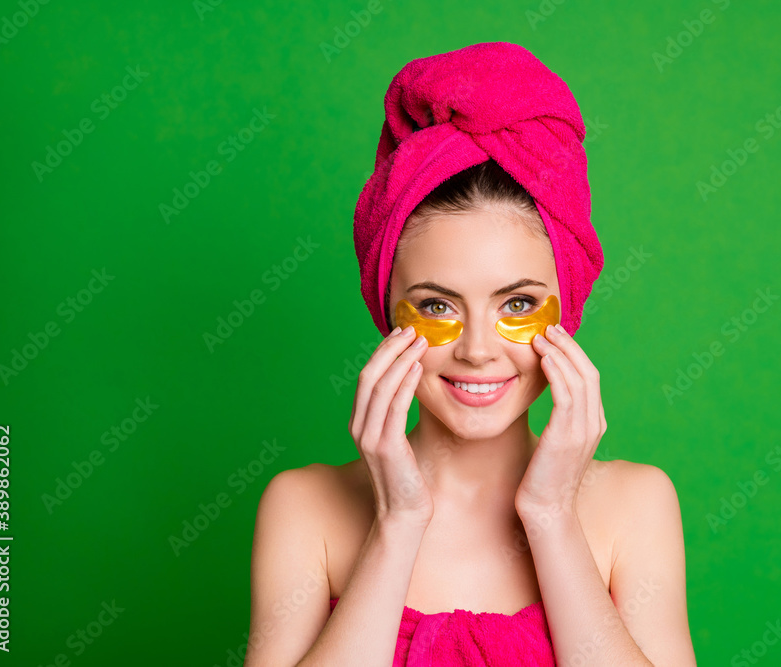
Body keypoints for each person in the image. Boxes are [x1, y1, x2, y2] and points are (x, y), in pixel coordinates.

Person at [244, 42, 695, 667]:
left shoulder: (636, 505)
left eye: (517, 305)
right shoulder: (304, 509)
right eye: (436, 307)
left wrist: (551, 516)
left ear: (566, 309)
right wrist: (397, 524)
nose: (478, 350)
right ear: (386, 309)